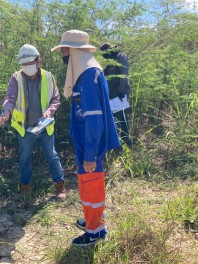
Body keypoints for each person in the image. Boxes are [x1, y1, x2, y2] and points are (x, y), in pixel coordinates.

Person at [51, 30, 121, 247]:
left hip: (90, 144)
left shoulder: (88, 77)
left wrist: (90, 154)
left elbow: (94, 119)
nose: (62, 53)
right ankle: (95, 218)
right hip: (86, 141)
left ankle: (95, 231)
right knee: (90, 183)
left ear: (74, 51)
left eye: (64, 49)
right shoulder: (87, 73)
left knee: (90, 184)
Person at [0, 44, 66, 200]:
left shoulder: (49, 77)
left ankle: (60, 185)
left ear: (38, 61)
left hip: (45, 126)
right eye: (24, 64)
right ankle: (25, 187)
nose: (27, 66)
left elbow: (56, 99)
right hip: (25, 128)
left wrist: (49, 112)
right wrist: (5, 113)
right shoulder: (16, 78)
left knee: (52, 156)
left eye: (30, 63)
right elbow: (10, 98)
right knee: (24, 158)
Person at [100, 42, 132, 146]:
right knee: (114, 118)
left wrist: (121, 90)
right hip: (112, 94)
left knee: (122, 117)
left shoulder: (120, 57)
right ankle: (117, 142)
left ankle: (127, 142)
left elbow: (124, 75)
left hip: (121, 93)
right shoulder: (110, 62)